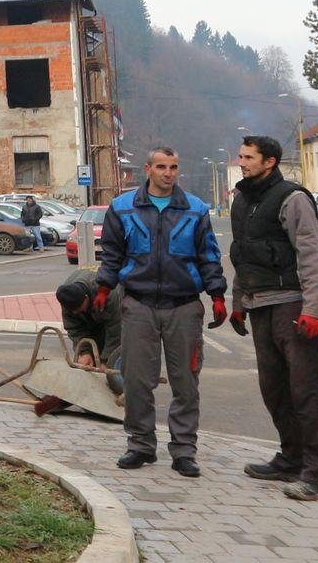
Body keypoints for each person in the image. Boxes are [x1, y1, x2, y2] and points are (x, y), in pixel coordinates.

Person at [93, 145, 226, 478]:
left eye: (175, 167)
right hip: (138, 305)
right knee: (137, 382)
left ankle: (184, 451)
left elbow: (208, 256)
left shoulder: (195, 210)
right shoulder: (122, 208)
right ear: (148, 169)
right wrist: (104, 288)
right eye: (163, 167)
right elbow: (111, 254)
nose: (169, 173)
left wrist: (218, 295)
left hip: (183, 307)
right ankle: (140, 445)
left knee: (186, 383)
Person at [228, 135, 318, 501]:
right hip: (258, 305)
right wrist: (237, 300)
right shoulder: (241, 200)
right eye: (240, 156)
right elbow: (242, 255)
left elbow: (312, 256)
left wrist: (312, 311)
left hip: (292, 305)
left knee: (307, 391)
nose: (241, 162)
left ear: (269, 161)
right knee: (273, 388)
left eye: (248, 157)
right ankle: (291, 459)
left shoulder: (293, 198)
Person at [55, 266, 122, 381]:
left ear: (86, 297)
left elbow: (115, 330)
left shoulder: (108, 294)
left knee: (114, 361)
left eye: (78, 308)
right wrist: (85, 352)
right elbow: (75, 329)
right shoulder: (67, 299)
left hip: (120, 309)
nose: (76, 312)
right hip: (93, 318)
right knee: (90, 365)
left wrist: (106, 360)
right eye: (73, 310)